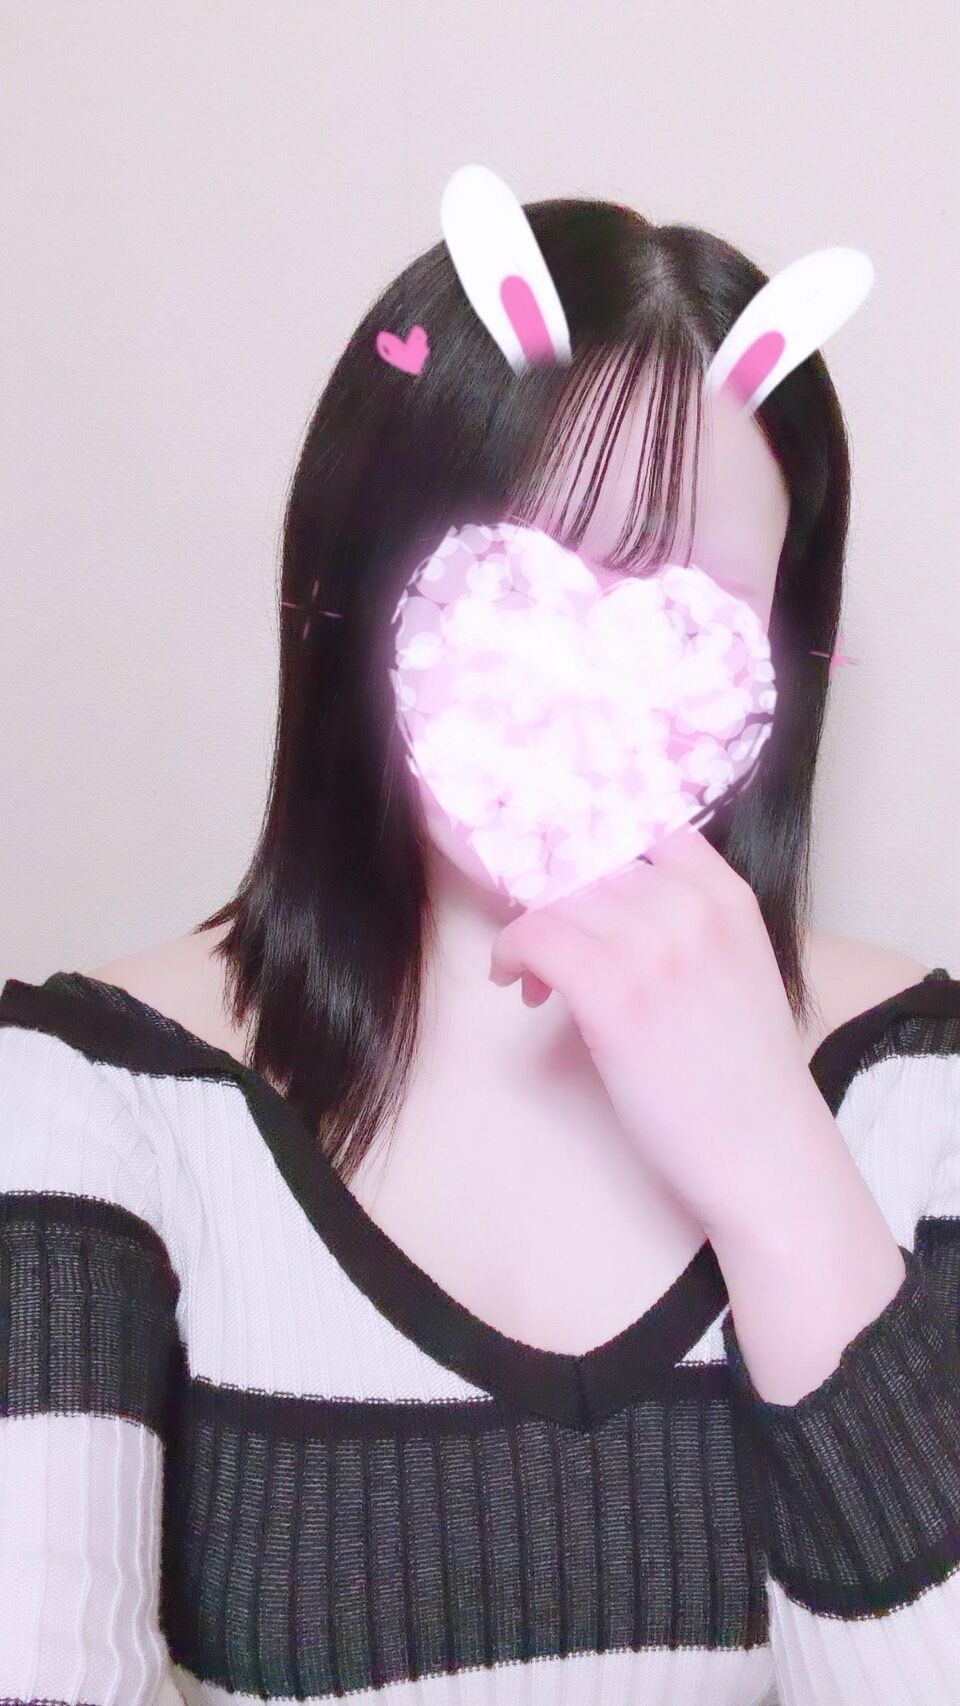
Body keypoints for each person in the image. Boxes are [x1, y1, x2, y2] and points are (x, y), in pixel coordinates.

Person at [1, 188, 958, 1706]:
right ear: (360, 572)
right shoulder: (85, 1102)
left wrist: (781, 1173)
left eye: (692, 605)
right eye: (527, 571)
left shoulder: (917, 1091)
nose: (593, 667)